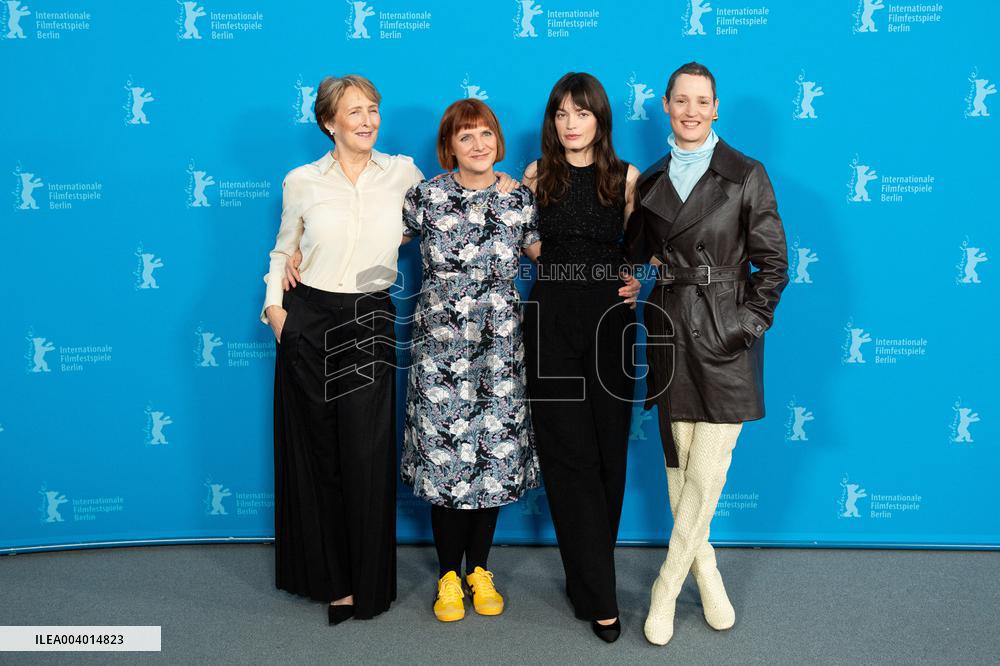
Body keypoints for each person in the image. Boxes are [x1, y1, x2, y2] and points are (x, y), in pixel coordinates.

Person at [624, 62, 789, 646]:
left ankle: (666, 586)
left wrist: (744, 327)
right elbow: (634, 254)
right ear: (666, 106)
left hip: (724, 335)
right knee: (679, 465)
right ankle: (708, 571)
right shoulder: (649, 180)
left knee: (707, 470)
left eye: (702, 101)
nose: (691, 111)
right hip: (669, 328)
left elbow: (774, 265)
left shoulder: (746, 173)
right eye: (681, 100)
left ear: (716, 108)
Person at [261, 74, 424, 625]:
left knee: (365, 453)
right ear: (329, 122)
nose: (367, 120)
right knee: (319, 454)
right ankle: (333, 582)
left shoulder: (403, 173)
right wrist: (275, 310)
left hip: (368, 314)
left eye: (373, 109)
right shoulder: (302, 180)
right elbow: (283, 249)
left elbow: (444, 210)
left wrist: (513, 179)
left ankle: (367, 581)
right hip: (307, 317)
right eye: (354, 111)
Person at [399, 99, 540, 623]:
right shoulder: (426, 198)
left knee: (491, 465)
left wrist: (618, 271)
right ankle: (448, 577)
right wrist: (300, 250)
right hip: (440, 352)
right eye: (466, 137)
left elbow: (550, 257)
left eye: (486, 134)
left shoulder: (519, 199)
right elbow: (371, 241)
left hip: (499, 353)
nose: (478, 144)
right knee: (446, 464)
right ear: (449, 147)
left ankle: (479, 569)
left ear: (497, 141)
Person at [520, 72, 641, 643]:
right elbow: (530, 244)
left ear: (600, 119)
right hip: (550, 321)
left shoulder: (626, 178)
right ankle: (600, 597)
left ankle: (589, 576)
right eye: (561, 113)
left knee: (608, 455)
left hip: (611, 321)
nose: (571, 124)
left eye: (582, 113)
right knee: (567, 454)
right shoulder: (535, 176)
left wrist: (634, 280)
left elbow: (637, 249)